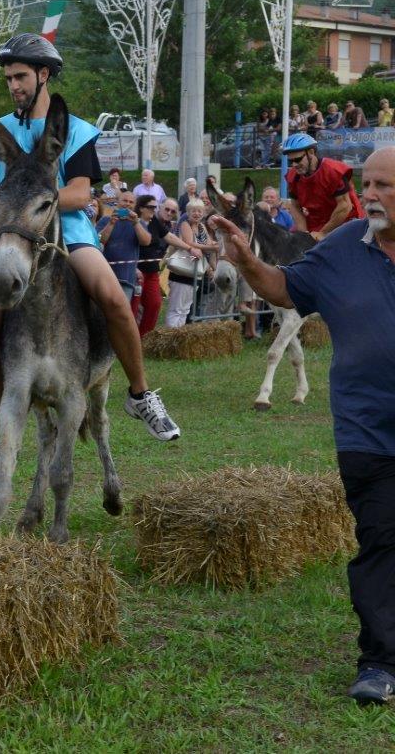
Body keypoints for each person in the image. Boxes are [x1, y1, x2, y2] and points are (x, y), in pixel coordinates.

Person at [210, 145, 395, 706]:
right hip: (370, 431)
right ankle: (381, 662)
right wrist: (246, 260)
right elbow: (284, 289)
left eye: (384, 186)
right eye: (367, 184)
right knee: (382, 540)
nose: (370, 196)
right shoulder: (343, 246)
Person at [0, 33, 180, 482]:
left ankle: (140, 394)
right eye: (8, 78)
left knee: (113, 298)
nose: (13, 85)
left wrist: (37, 194)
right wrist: (7, 192)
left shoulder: (74, 130)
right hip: (7, 241)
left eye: (20, 76)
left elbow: (80, 193)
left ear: (43, 75)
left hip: (67, 236)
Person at [135, 196, 198, 336]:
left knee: (155, 304)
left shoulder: (156, 222)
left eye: (173, 211)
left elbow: (169, 237)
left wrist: (189, 248)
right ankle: (130, 339)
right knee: (135, 307)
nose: (169, 213)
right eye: (166, 209)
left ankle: (145, 337)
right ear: (141, 208)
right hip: (136, 271)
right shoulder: (136, 222)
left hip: (152, 272)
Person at [281, 134, 363, 239]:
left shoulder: (332, 171)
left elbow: (345, 206)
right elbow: (295, 207)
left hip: (347, 222)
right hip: (317, 224)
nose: (294, 165)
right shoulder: (293, 176)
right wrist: (304, 235)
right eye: (290, 161)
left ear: (311, 152)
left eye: (298, 159)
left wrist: (323, 233)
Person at [163, 200, 218, 328]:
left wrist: (214, 245)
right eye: (193, 211)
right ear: (188, 212)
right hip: (182, 271)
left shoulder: (202, 227)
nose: (197, 213)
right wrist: (212, 247)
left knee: (185, 309)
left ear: (203, 213)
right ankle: (171, 334)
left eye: (199, 211)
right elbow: (190, 243)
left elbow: (208, 244)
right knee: (176, 308)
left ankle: (179, 334)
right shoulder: (185, 224)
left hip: (194, 273)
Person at [97, 189, 152, 303]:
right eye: (124, 201)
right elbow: (99, 240)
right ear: (117, 202)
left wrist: (135, 223)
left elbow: (146, 242)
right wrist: (111, 223)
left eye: (131, 202)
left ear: (135, 205)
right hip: (105, 276)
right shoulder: (105, 220)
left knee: (121, 310)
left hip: (127, 278)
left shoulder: (139, 223)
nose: (127, 204)